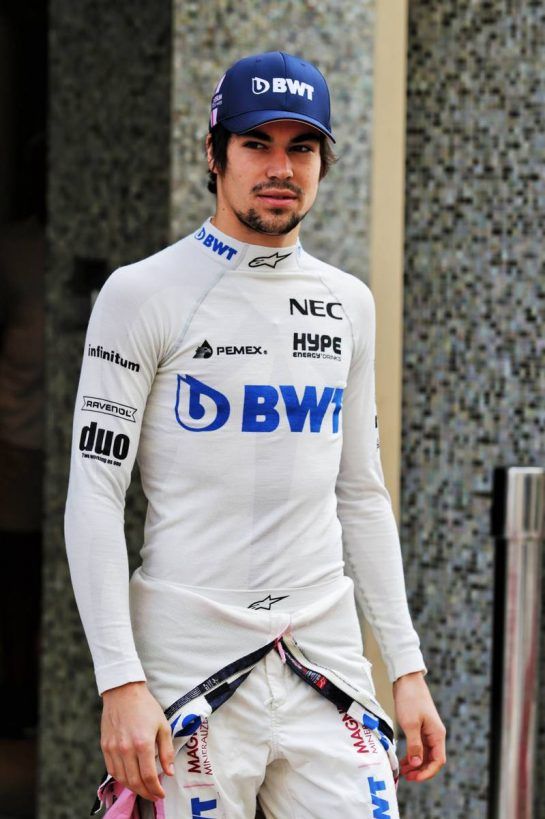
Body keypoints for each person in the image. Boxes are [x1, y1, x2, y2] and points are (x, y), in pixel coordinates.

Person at [65, 51, 446, 819]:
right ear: (213, 153)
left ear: (322, 161)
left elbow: (361, 494)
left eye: (300, 147)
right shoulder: (140, 294)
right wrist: (119, 682)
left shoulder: (349, 303)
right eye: (256, 144)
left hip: (324, 661)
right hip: (186, 665)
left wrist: (405, 667)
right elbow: (95, 494)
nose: (280, 167)